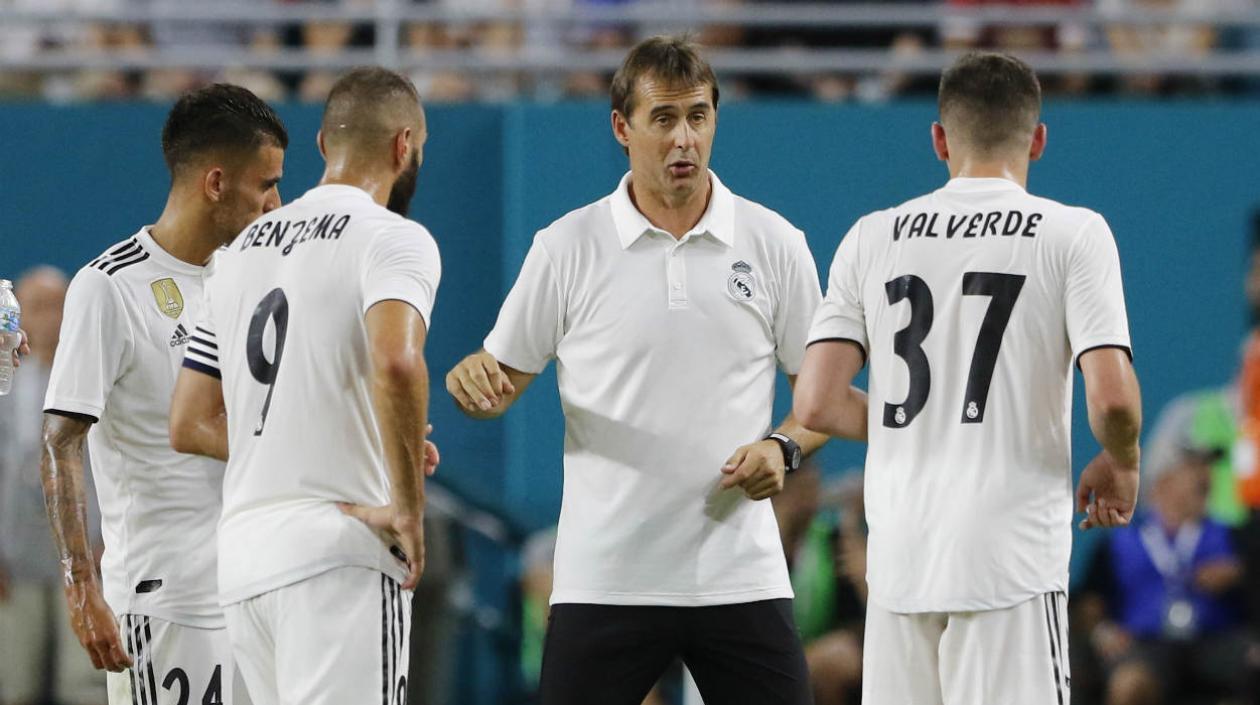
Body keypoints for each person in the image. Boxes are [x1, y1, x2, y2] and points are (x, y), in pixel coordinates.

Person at [446, 34, 851, 705]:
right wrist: (471, 385)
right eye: (663, 118)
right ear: (622, 127)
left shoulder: (776, 244)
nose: (684, 139)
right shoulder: (565, 247)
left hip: (738, 575)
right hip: (605, 578)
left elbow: (822, 401)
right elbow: (499, 384)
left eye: (698, 115)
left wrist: (781, 446)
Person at [794, 51, 1142, 705]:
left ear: (939, 140)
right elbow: (1113, 397)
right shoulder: (1073, 234)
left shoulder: (872, 236)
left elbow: (814, 401)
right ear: (1037, 139)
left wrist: (922, 420)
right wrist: (1123, 459)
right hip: (1007, 561)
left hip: (900, 564)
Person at [168, 66, 441, 705]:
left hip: (245, 561)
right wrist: (407, 505)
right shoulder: (395, 239)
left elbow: (188, 420)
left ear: (321, 146)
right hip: (338, 552)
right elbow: (397, 363)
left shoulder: (235, 256)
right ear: (404, 147)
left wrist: (336, 436)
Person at [40, 84, 286, 705]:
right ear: (215, 183)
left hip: (256, 592)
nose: (276, 203)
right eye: (266, 185)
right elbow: (61, 440)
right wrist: (81, 585)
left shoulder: (249, 281)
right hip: (165, 601)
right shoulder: (110, 287)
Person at [0, 267, 106, 705]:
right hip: (14, 559)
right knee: (15, 681)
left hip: (86, 554)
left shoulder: (96, 379)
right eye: (37, 309)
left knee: (83, 682)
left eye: (59, 306)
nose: (50, 319)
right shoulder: (4, 388)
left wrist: (108, 541)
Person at [1078, 442, 1247, 705]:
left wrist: (1242, 574)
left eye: (1207, 468)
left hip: (1216, 641)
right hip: (1146, 643)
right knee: (1131, 683)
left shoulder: (1234, 536)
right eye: (1193, 467)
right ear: (1164, 480)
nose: (1206, 475)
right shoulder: (1121, 541)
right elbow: (1090, 600)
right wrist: (1101, 630)